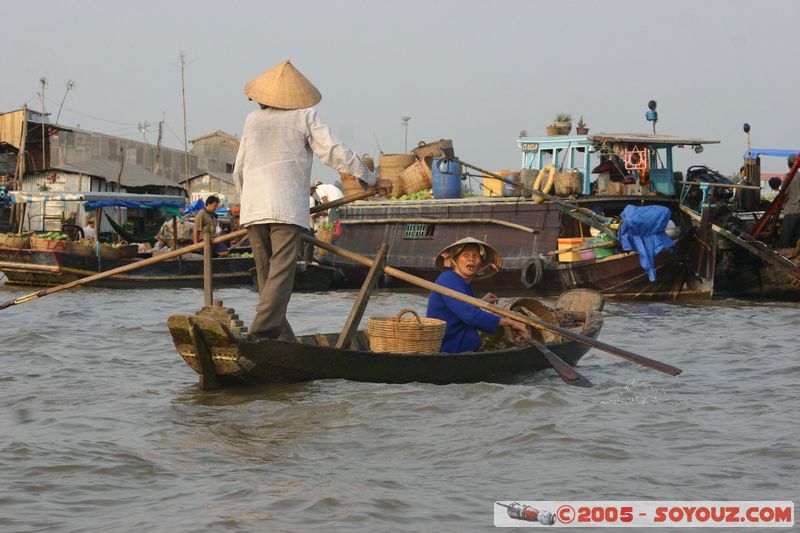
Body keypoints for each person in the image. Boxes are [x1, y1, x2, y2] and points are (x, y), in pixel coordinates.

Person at [232, 59, 392, 341]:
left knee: (267, 278)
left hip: (254, 210)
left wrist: (247, 205)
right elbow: (334, 152)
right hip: (284, 209)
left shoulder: (252, 120)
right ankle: (261, 335)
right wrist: (370, 178)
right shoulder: (304, 116)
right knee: (280, 277)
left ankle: (284, 341)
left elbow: (239, 170)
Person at [426, 237, 527, 353]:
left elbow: (462, 309)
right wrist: (510, 321)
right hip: (449, 344)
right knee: (503, 330)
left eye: (476, 256)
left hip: (458, 339)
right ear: (454, 260)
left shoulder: (464, 284)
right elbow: (471, 316)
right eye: (465, 255)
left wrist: (482, 301)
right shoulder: (448, 279)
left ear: (481, 264)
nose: (471, 259)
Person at [779, 154, 800, 248]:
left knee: (786, 239)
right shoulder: (799, 176)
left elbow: (783, 193)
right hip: (799, 211)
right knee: (796, 238)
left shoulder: (788, 176)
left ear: (788, 163)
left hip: (790, 210)